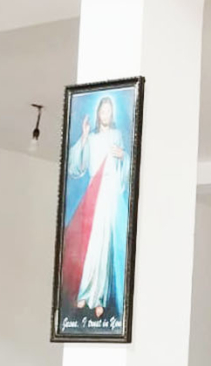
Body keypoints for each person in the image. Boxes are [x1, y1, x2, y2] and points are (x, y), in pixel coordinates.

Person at [62, 95, 129, 321]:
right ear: (99, 113)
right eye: (103, 110)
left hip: (109, 192)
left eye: (109, 111)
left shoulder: (117, 136)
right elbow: (77, 166)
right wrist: (83, 136)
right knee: (90, 244)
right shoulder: (91, 138)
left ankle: (99, 297)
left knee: (104, 244)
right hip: (94, 192)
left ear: (112, 114)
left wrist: (124, 156)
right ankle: (85, 292)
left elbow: (126, 164)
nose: (105, 114)